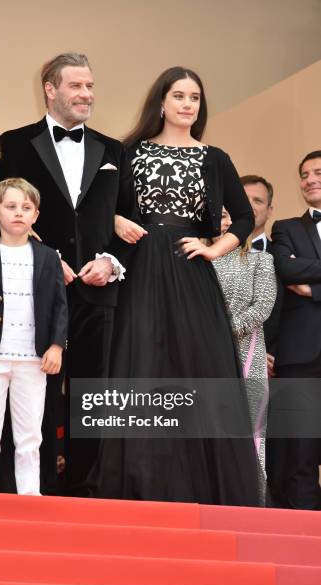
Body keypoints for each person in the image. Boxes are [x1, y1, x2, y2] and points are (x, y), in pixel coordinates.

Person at [88, 66, 262, 506]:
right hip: (142, 269)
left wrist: (213, 249)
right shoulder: (129, 152)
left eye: (195, 98)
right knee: (143, 368)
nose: (188, 105)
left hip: (190, 273)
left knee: (199, 370)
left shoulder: (214, 157)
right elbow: (97, 208)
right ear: (161, 102)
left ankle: (203, 491)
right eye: (180, 96)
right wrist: (115, 220)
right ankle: (143, 486)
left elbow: (243, 217)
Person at [0, 52, 133, 496]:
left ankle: (86, 493)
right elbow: (0, 210)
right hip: (34, 286)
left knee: (94, 394)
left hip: (99, 289)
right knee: (37, 389)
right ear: (50, 89)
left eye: (90, 86)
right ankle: (35, 490)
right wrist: (41, 254)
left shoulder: (114, 150)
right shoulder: (14, 143)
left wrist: (110, 262)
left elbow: (127, 217)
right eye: (76, 86)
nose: (86, 94)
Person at [0, 178, 67, 494]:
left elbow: (61, 306)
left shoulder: (49, 257)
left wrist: (57, 346)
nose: (18, 213)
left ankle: (29, 496)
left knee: (30, 434)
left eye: (26, 207)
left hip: (34, 359)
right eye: (10, 206)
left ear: (35, 215)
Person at [269, 150, 321, 510]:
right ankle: (305, 524)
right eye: (304, 175)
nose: (309, 180)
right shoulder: (286, 228)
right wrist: (297, 274)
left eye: (317, 172)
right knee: (300, 445)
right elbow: (286, 272)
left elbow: (300, 275)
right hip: (302, 352)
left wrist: (313, 285)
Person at [212, 209, 277, 479]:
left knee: (249, 431)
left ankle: (251, 501)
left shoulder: (260, 260)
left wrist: (225, 331)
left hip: (247, 353)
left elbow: (262, 306)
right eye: (218, 215)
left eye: (231, 215)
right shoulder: (193, 261)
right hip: (205, 353)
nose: (226, 222)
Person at [241, 175, 283, 375]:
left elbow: (292, 312)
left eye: (257, 200)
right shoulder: (208, 252)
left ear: (269, 210)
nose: (249, 206)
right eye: (242, 198)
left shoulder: (282, 256)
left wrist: (273, 355)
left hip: (271, 365)